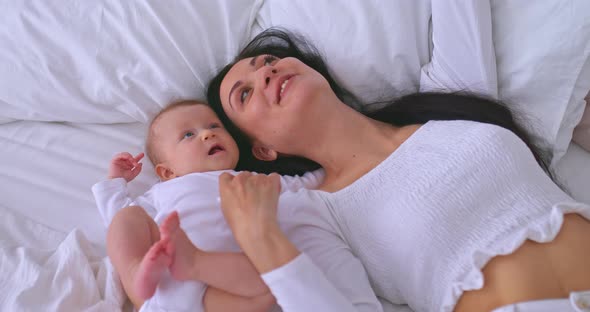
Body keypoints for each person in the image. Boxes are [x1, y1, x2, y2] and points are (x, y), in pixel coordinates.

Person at [205, 2, 590, 312]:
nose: (267, 73)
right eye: (245, 93)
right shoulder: (317, 210)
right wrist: (261, 238)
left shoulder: (446, 103)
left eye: (268, 61)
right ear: (263, 150)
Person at [92, 100, 342, 312]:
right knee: (126, 218)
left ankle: (193, 261)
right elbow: (117, 215)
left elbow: (304, 183)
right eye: (188, 135)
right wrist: (115, 182)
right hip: (164, 282)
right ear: (168, 171)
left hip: (222, 285)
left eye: (214, 126)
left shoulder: (252, 181)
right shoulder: (162, 192)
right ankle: (136, 273)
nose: (207, 134)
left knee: (267, 291)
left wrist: (333, 165)